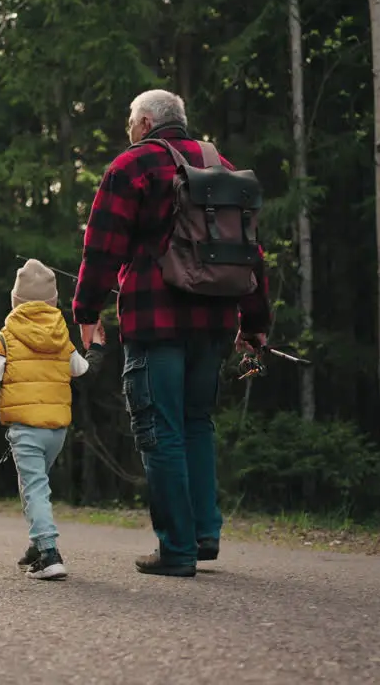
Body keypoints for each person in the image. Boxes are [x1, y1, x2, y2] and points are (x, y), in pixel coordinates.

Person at [71, 89, 272, 578]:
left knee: (160, 431)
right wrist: (255, 322)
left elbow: (102, 246)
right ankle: (204, 534)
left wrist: (85, 309)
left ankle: (177, 549)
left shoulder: (133, 166)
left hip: (155, 320)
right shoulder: (219, 165)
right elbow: (249, 250)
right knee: (197, 422)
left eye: (129, 120)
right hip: (217, 321)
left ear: (143, 122)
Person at [0, 258, 107, 581]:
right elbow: (85, 374)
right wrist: (98, 346)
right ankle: (36, 544)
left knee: (33, 488)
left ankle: (49, 554)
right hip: (56, 432)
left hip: (26, 430)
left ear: (15, 301)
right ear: (53, 302)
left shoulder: (4, 339)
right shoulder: (61, 339)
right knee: (35, 485)